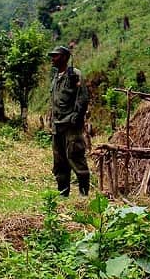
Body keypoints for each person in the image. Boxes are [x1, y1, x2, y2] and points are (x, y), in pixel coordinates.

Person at [48, 46, 90, 197]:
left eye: (56, 56)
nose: (52, 59)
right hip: (57, 126)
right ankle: (63, 194)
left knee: (76, 157)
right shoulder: (55, 77)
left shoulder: (74, 74)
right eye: (52, 56)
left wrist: (76, 117)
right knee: (59, 162)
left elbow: (83, 98)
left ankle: (83, 195)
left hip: (70, 126)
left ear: (65, 57)